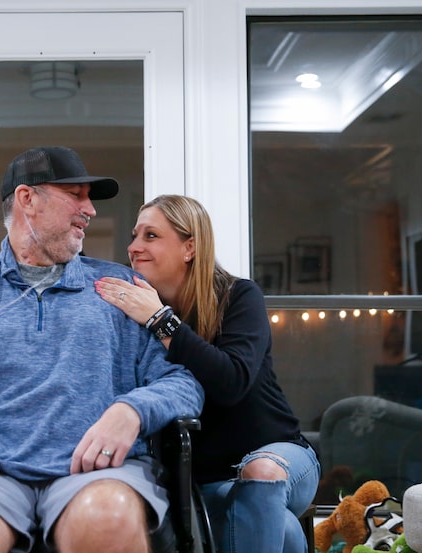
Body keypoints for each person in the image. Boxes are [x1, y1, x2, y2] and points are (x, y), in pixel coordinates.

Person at [0, 149, 204, 553]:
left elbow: (182, 382)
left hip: (97, 473)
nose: (90, 211)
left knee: (108, 518)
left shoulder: (120, 286)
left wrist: (132, 411)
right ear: (27, 200)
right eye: (76, 196)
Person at [95, 194, 320, 553]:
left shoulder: (239, 297)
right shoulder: (133, 318)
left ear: (190, 247)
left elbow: (231, 382)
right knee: (287, 533)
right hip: (205, 480)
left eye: (151, 236)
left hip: (280, 457)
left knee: (260, 473)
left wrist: (160, 321)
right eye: (135, 236)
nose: (134, 247)